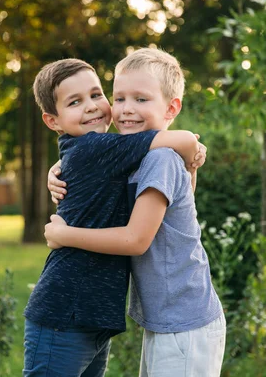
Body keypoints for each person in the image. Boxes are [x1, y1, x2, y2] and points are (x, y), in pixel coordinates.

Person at [45, 48, 225, 377]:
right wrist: (59, 168)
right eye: (120, 98)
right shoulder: (140, 153)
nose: (127, 110)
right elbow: (92, 156)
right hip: (167, 318)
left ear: (171, 107)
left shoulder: (161, 158)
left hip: (184, 320)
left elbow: (135, 240)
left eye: (141, 99)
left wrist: (63, 235)